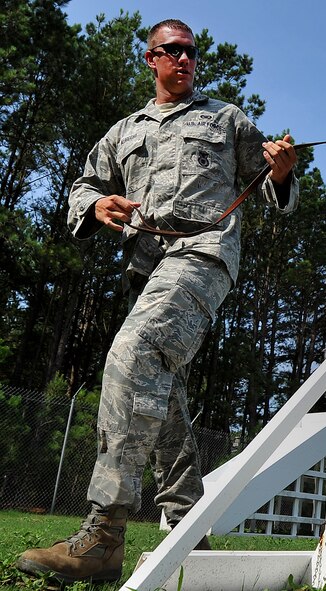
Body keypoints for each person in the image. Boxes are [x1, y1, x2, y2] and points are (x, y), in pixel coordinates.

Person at [16, 18, 299, 585]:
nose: (186, 59)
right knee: (159, 388)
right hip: (145, 266)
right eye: (173, 50)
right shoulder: (123, 131)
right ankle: (188, 523)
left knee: (135, 353)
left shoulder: (225, 118)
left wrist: (283, 172)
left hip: (203, 255)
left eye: (193, 52)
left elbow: (273, 186)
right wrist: (96, 208)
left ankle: (103, 533)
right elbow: (84, 185)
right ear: (150, 59)